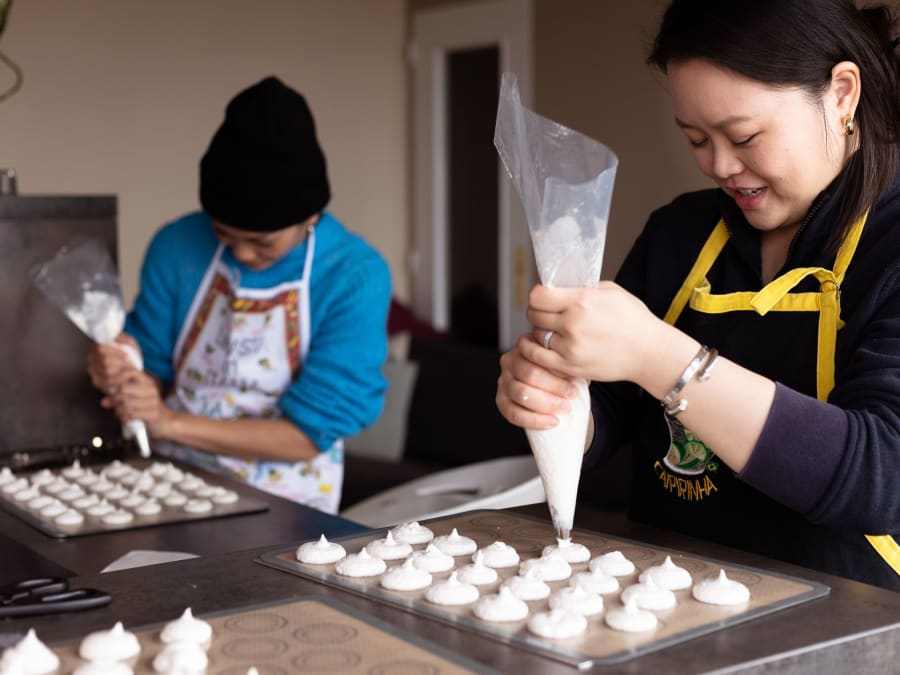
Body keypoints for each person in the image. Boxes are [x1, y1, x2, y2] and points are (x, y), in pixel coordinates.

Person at [497, 0, 900, 591]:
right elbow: (609, 410)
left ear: (841, 94)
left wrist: (658, 357)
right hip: (656, 597)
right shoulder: (678, 233)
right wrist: (555, 404)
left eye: (744, 136)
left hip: (840, 617)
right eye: (696, 139)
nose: (721, 165)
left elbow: (882, 472)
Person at [88, 76, 392, 514]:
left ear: (311, 215)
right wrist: (124, 374)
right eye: (224, 234)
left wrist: (168, 422)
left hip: (291, 505)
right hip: (172, 484)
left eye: (261, 241)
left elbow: (308, 435)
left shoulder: (354, 275)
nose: (243, 254)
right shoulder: (177, 246)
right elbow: (152, 365)